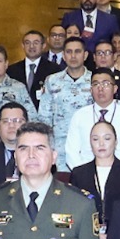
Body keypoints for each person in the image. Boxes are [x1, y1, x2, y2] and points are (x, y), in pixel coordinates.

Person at [64, 68, 120, 167]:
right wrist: (83, 175)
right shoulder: (80, 116)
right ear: (91, 90)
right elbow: (71, 153)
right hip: (86, 174)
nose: (100, 88)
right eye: (96, 84)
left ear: (115, 89)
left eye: (105, 84)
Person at [69, 121, 120, 229]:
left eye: (107, 138)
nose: (101, 143)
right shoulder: (78, 173)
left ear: (116, 142)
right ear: (90, 143)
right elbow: (73, 210)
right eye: (95, 139)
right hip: (87, 233)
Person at [37, 37, 95, 170]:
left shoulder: (94, 80)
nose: (73, 56)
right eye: (69, 52)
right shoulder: (52, 81)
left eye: (77, 51)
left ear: (85, 55)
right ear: (63, 55)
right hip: (60, 149)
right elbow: (44, 117)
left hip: (88, 147)